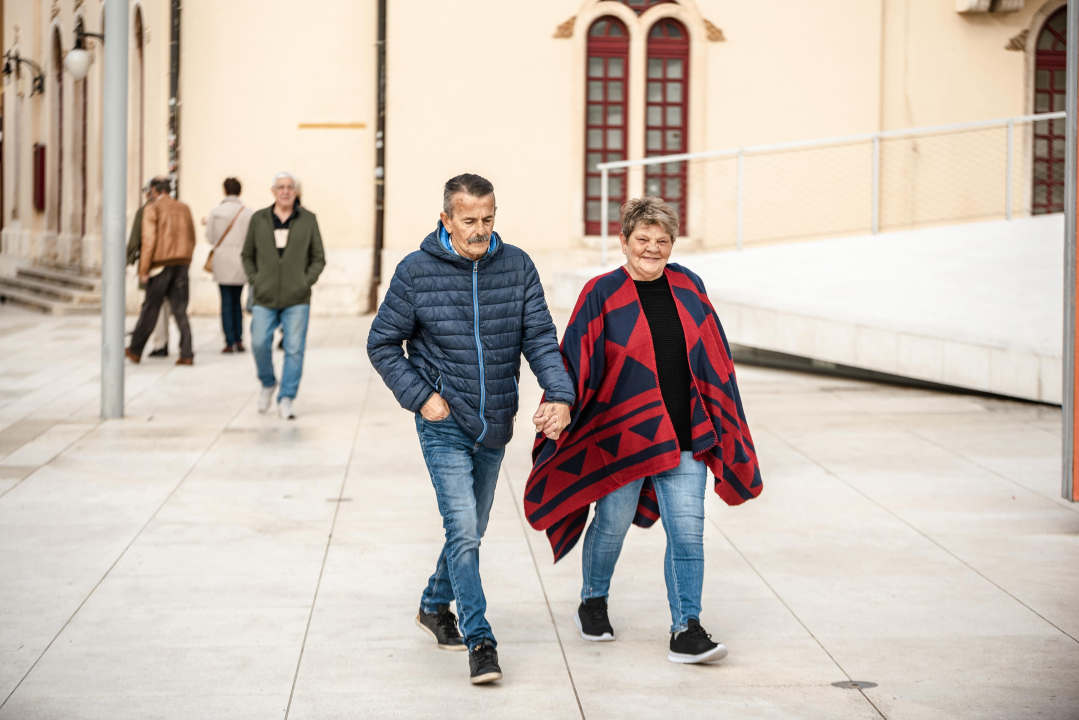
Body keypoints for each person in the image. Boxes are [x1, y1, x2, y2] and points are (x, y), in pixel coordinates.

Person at [524, 197, 763, 665]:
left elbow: (714, 358)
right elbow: (575, 357)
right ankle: (593, 599)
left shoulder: (690, 287)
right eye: (642, 240)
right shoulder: (602, 293)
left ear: (672, 243)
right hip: (625, 438)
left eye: (661, 241)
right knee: (612, 524)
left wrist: (721, 415)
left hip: (687, 437)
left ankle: (686, 628)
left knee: (688, 535)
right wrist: (559, 401)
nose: (652, 249)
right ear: (624, 241)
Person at [367, 173, 575, 686]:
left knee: (473, 529)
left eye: (488, 219)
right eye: (469, 221)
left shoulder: (517, 266)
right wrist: (422, 397)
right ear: (446, 219)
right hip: (442, 422)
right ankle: (480, 639)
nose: (481, 230)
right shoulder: (415, 272)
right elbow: (381, 344)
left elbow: (542, 338)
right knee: (463, 530)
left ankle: (434, 604)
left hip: (495, 423)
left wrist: (561, 394)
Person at [241, 172, 326, 420]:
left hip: (297, 298)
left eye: (290, 187)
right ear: (273, 191)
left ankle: (286, 397)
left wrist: (304, 281)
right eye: (281, 187)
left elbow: (318, 257)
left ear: (296, 191)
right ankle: (268, 383)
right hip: (263, 296)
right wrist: (256, 280)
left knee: (294, 349)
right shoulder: (259, 219)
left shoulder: (308, 219)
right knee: (258, 343)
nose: (286, 191)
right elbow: (247, 255)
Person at [125, 177, 196, 366]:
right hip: (181, 264)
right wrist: (186, 259)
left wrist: (144, 269)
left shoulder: (152, 208)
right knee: (180, 311)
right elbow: (192, 237)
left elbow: (148, 241)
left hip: (160, 266)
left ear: (155, 190)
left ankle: (135, 350)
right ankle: (187, 353)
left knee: (150, 309)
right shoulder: (184, 208)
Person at [205, 177, 253, 353]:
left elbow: (210, 238)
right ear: (239, 192)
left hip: (222, 260)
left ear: (224, 190)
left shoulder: (215, 212)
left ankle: (229, 341)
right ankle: (239, 340)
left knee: (226, 301)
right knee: (237, 301)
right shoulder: (248, 213)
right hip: (241, 260)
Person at [126, 178, 170, 358]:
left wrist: (130, 262)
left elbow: (136, 241)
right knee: (166, 306)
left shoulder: (146, 210)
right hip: (173, 264)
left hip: (153, 265)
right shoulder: (175, 209)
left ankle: (157, 344)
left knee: (154, 307)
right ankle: (166, 342)